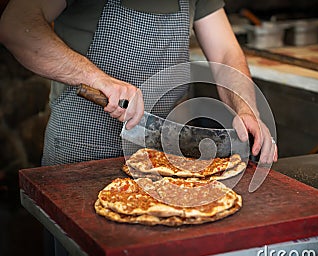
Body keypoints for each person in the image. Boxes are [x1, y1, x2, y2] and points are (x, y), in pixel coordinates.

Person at [0, 0, 277, 166]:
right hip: (80, 155)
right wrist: (97, 79)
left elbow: (226, 53)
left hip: (158, 158)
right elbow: (16, 26)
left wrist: (246, 109)